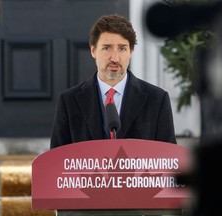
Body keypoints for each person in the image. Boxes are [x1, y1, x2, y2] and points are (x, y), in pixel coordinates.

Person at [50, 14, 176, 149]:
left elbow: (169, 159)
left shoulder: (157, 99)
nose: (115, 58)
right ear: (93, 51)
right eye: (107, 48)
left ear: (131, 52)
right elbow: (57, 160)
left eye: (122, 49)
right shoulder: (69, 101)